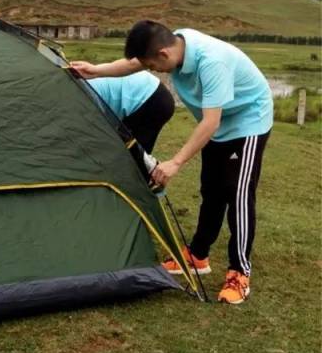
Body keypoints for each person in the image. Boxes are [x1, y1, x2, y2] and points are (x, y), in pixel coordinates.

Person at [71, 21, 273, 305]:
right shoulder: (174, 43)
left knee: (237, 193)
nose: (153, 70)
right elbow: (131, 65)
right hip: (218, 123)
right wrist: (94, 70)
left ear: (164, 54)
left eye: (153, 66)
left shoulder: (211, 62)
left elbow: (210, 122)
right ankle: (198, 255)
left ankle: (239, 272)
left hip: (247, 122)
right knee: (211, 191)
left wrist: (176, 162)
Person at [84, 72, 175, 154]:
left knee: (131, 156)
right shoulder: (78, 89)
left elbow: (98, 128)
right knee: (134, 155)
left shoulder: (84, 95)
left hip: (150, 100)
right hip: (148, 91)